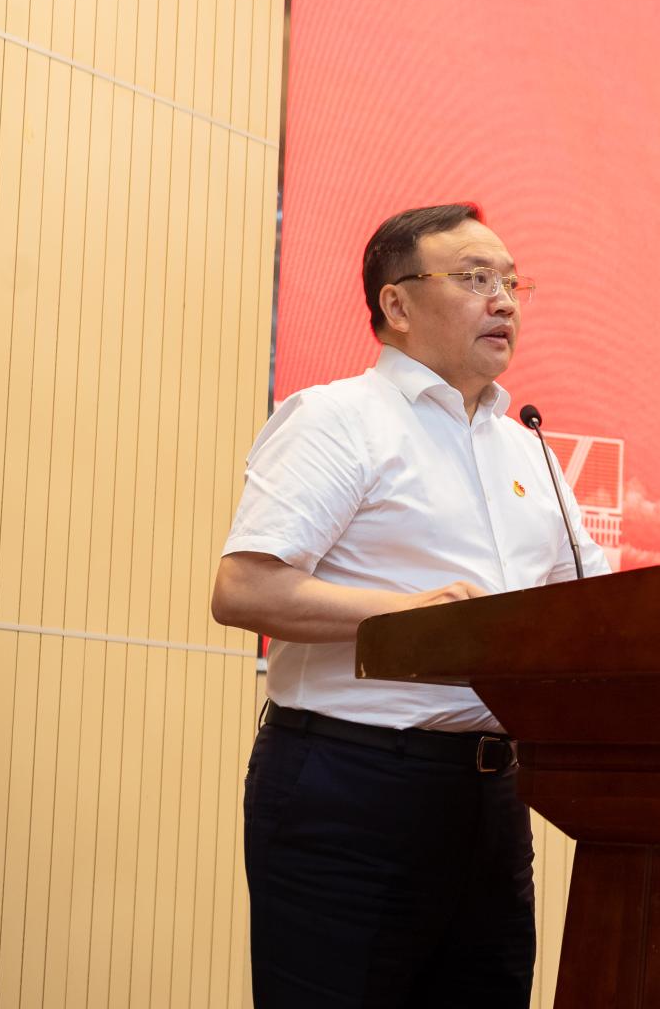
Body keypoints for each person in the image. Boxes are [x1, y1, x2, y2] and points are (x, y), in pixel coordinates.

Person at [212, 202, 609, 1007]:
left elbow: (597, 603)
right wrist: (410, 616)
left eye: (512, 283)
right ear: (396, 303)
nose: (504, 301)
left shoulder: (528, 449)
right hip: (350, 786)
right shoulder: (337, 419)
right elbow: (244, 588)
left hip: (493, 796)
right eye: (474, 278)